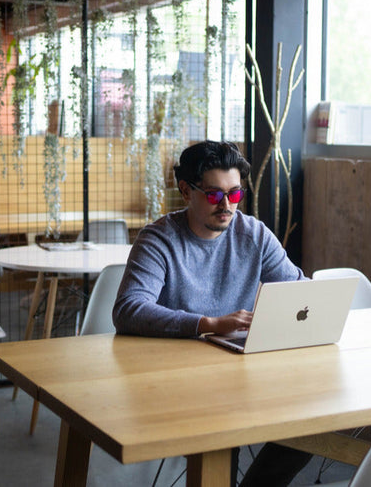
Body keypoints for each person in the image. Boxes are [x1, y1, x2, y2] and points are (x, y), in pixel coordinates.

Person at [113, 140, 312, 486]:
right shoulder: (159, 239)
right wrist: (207, 324)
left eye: (234, 194)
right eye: (214, 194)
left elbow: (299, 290)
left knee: (312, 419)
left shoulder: (254, 235)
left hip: (241, 373)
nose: (226, 205)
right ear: (185, 191)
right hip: (177, 379)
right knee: (225, 423)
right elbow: (129, 309)